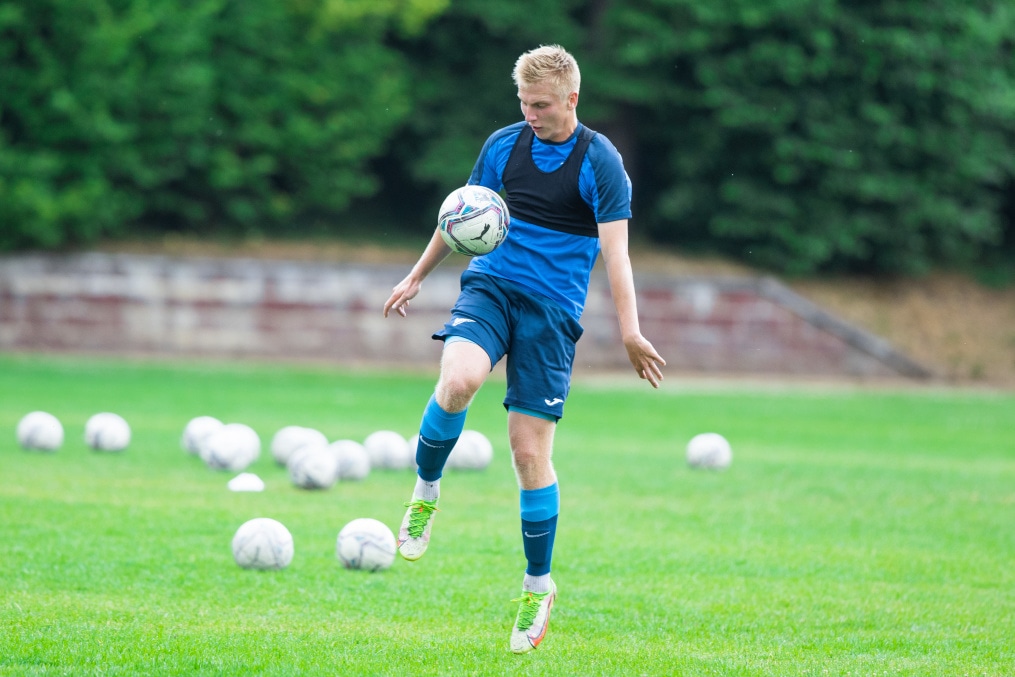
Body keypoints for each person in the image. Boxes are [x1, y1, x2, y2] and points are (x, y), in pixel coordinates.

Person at [382, 44, 665, 654]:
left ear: (572, 99)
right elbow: (460, 215)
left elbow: (616, 253)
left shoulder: (601, 162)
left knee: (527, 451)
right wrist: (417, 275)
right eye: (523, 103)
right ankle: (426, 490)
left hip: (552, 313)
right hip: (491, 286)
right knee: (457, 381)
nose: (530, 114)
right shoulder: (503, 145)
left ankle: (538, 586)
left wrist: (630, 331)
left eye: (540, 105)